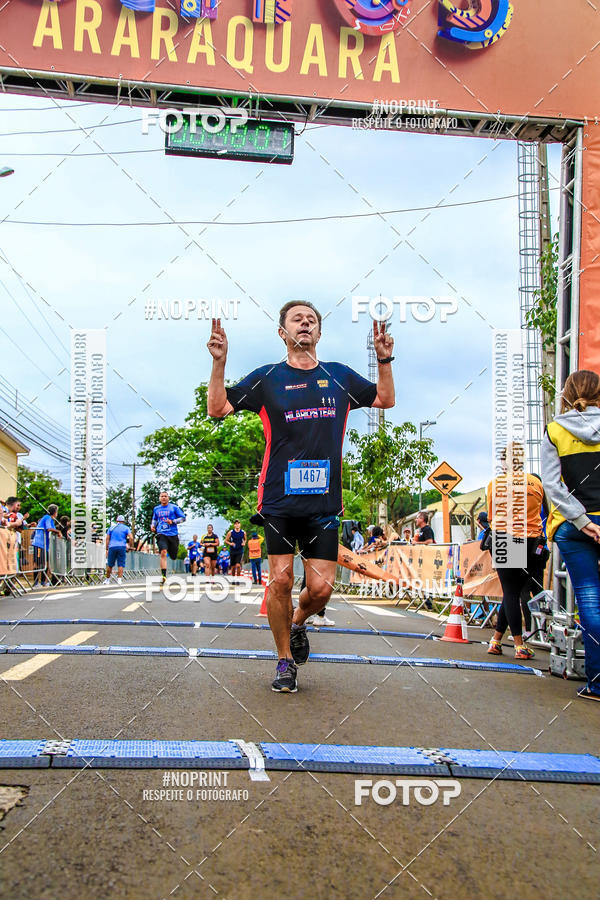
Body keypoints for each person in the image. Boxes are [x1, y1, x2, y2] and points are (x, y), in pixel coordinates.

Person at [207, 304, 395, 692]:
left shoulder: (338, 376)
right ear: (282, 333)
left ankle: (297, 623)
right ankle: (283, 662)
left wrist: (384, 360)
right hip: (278, 499)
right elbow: (217, 408)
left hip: (324, 503)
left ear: (319, 334)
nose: (305, 324)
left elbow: (384, 399)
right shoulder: (268, 378)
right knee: (280, 582)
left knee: (322, 589)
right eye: (297, 319)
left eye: (312, 320)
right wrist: (219, 362)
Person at [542, 369, 600, 701]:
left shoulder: (556, 429)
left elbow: (553, 485)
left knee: (591, 606)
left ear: (567, 393)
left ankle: (597, 683)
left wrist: (582, 521)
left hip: (576, 529)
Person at [486, 443, 544, 660]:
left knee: (510, 592)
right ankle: (496, 640)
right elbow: (541, 509)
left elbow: (491, 515)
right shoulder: (536, 482)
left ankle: (519, 645)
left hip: (504, 536)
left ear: (504, 461)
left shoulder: (496, 483)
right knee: (512, 590)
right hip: (531, 538)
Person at [150, 491, 186, 585]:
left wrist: (173, 521)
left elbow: (183, 518)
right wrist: (153, 525)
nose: (164, 498)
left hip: (173, 534)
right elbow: (154, 519)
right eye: (162, 496)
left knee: (173, 556)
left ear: (168, 498)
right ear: (159, 498)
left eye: (165, 496)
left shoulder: (174, 507)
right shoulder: (156, 509)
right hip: (161, 533)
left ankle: (172, 553)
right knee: (163, 552)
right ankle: (164, 576)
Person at [31, 504, 60, 587]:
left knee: (45, 563)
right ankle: (36, 582)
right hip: (40, 543)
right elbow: (49, 528)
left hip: (46, 545)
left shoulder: (51, 520)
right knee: (38, 563)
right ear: (54, 512)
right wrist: (58, 532)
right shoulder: (47, 517)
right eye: (56, 512)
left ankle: (43, 581)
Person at [104, 514, 132, 585]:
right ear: (123, 521)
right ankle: (119, 580)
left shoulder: (111, 528)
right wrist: (130, 546)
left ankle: (107, 580)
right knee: (121, 564)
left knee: (110, 564)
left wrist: (107, 547)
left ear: (117, 520)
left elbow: (107, 538)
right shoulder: (126, 528)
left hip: (112, 547)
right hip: (122, 547)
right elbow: (131, 537)